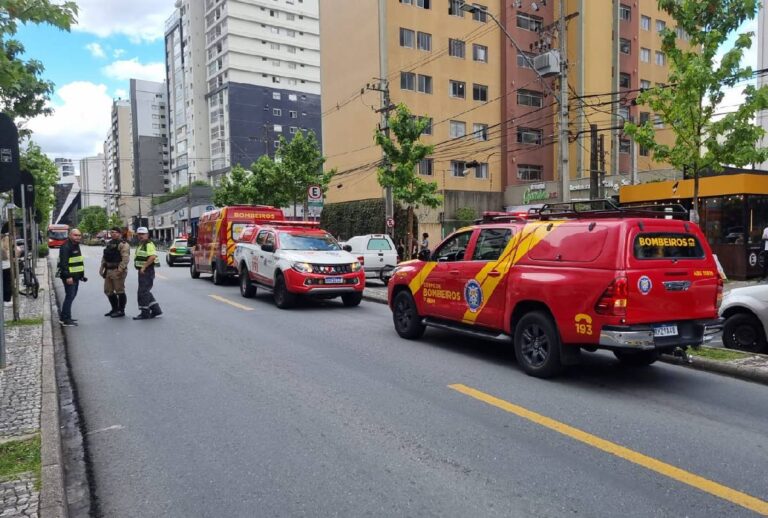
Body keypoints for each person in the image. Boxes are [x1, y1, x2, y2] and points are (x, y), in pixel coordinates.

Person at [58, 228, 87, 326]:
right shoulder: (66, 246)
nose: (78, 237)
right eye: (76, 235)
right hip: (69, 276)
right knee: (69, 296)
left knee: (71, 296)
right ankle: (66, 319)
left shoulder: (75, 245)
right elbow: (64, 263)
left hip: (75, 276)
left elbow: (78, 261)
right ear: (70, 235)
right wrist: (68, 276)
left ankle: (65, 316)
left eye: (79, 235)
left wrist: (81, 275)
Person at [100, 226, 130, 317]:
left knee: (119, 290)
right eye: (112, 232)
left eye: (115, 232)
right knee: (108, 290)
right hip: (108, 270)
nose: (113, 234)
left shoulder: (123, 244)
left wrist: (120, 269)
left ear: (119, 234)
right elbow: (104, 257)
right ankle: (114, 309)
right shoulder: (109, 244)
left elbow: (125, 259)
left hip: (117, 270)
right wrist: (102, 268)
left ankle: (121, 310)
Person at [133, 227, 162, 320]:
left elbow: (152, 257)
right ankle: (156, 309)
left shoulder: (148, 244)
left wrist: (144, 267)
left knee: (142, 292)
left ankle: (145, 313)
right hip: (143, 271)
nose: (141, 236)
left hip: (147, 271)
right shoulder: (142, 244)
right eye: (139, 234)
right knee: (145, 291)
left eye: (143, 234)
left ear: (147, 235)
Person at [1, 223, 20, 308]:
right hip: (5, 265)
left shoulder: (3, 236)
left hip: (5, 264)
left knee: (5, 282)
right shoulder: (6, 237)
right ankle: (6, 300)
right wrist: (10, 258)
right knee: (7, 282)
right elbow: (4, 251)